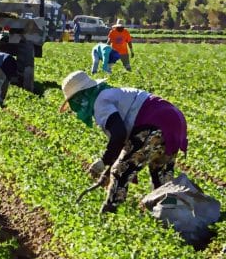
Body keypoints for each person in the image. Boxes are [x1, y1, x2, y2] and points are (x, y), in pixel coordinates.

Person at [60, 70, 188, 213]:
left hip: (154, 122)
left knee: (120, 172)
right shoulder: (110, 94)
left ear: (80, 97)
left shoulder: (100, 102)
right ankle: (173, 213)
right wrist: (107, 171)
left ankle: (110, 213)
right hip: (173, 120)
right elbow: (124, 143)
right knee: (160, 174)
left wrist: (104, 161)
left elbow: (119, 134)